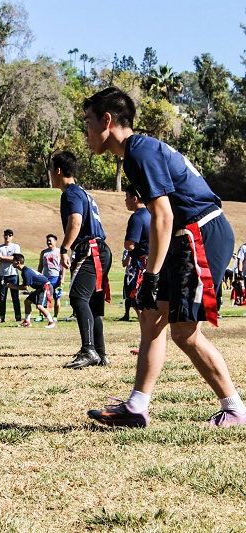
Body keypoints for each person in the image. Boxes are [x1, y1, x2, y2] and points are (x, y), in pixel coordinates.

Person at [81, 87, 246, 427]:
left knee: (185, 332)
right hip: (186, 236)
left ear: (107, 121)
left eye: (87, 122)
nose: (85, 132)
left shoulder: (138, 153)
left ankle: (235, 410)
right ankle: (136, 407)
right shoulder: (139, 151)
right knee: (151, 319)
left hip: (199, 234)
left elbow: (164, 216)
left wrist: (151, 277)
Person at [50, 151, 112, 369]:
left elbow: (75, 222)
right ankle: (101, 353)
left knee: (78, 298)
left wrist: (64, 248)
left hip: (90, 249)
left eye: (51, 169)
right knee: (92, 303)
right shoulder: (83, 192)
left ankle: (88, 350)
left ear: (58, 170)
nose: (50, 174)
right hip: (100, 249)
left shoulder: (70, 194)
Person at [120, 185, 151, 322]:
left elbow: (130, 244)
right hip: (155, 260)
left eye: (126, 198)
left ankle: (146, 330)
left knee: (137, 299)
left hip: (141, 263)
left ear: (135, 198)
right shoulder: (152, 214)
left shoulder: (137, 217)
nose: (125, 201)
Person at [6, 253, 56, 328]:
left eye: (13, 260)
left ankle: (52, 322)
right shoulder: (24, 270)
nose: (12, 262)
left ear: (18, 262)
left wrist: (13, 286)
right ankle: (27, 321)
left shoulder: (26, 272)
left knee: (39, 306)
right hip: (40, 288)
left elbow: (26, 287)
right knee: (27, 302)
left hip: (45, 287)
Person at [0, 229, 21, 323]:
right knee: (2, 297)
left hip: (13, 275)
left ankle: (18, 316)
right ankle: (1, 317)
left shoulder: (16, 246)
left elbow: (16, 259)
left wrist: (3, 258)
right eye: (6, 235)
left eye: (10, 235)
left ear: (12, 237)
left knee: (15, 297)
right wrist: (9, 259)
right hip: (2, 275)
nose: (7, 237)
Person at [38, 235, 63, 320]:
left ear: (55, 241)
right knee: (43, 296)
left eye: (50, 240)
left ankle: (55, 316)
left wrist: (62, 278)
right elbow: (41, 265)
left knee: (56, 297)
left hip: (56, 277)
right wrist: (38, 275)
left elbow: (63, 266)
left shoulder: (59, 252)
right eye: (47, 241)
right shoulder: (44, 252)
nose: (49, 242)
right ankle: (41, 315)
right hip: (45, 277)